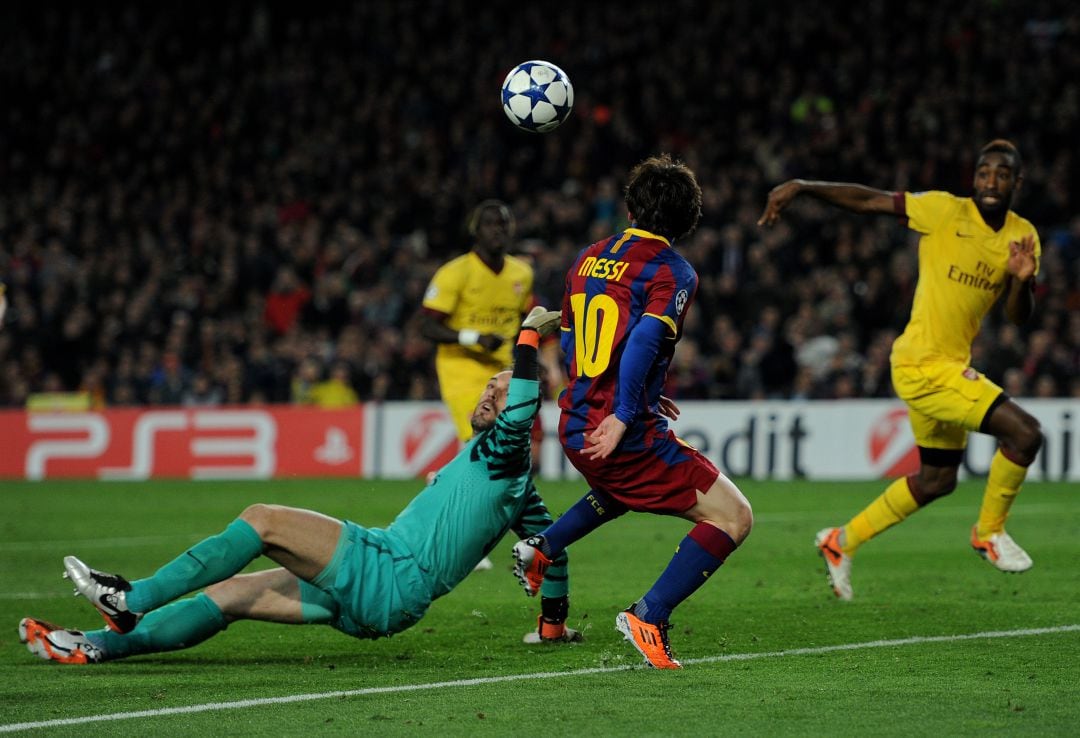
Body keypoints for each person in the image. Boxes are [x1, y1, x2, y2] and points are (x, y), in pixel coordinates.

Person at [19, 308, 582, 665]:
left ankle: (129, 599)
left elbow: (526, 399)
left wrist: (530, 333)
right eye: (487, 386)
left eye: (501, 391)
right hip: (385, 599)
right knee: (230, 595)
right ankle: (97, 645)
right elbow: (551, 552)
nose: (489, 395)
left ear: (522, 410)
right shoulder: (515, 485)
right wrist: (552, 627)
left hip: (387, 571)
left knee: (262, 518)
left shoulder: (508, 454)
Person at [757, 138, 1043, 600]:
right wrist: (805, 186)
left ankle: (840, 542)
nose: (992, 181)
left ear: (1017, 182)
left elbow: (1017, 315)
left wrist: (1023, 280)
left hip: (948, 366)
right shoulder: (944, 211)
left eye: (1003, 174)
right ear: (974, 178)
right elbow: (870, 200)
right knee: (1026, 434)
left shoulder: (1022, 235)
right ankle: (989, 532)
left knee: (937, 480)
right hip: (920, 363)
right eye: (985, 172)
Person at [511, 154, 754, 669]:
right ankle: (650, 614)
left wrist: (634, 394)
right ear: (689, 219)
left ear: (630, 206)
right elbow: (644, 334)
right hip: (616, 428)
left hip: (576, 423)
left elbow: (576, 337)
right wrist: (625, 411)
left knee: (620, 491)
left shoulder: (588, 257)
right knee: (734, 516)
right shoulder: (673, 270)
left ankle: (544, 547)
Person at [420, 200, 534, 442]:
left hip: (502, 367)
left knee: (510, 440)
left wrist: (531, 359)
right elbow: (426, 326)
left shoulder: (522, 274)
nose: (497, 230)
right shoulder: (454, 272)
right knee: (479, 436)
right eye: (489, 224)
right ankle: (456, 480)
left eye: (502, 224)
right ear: (476, 230)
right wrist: (475, 338)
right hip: (462, 367)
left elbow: (523, 321)